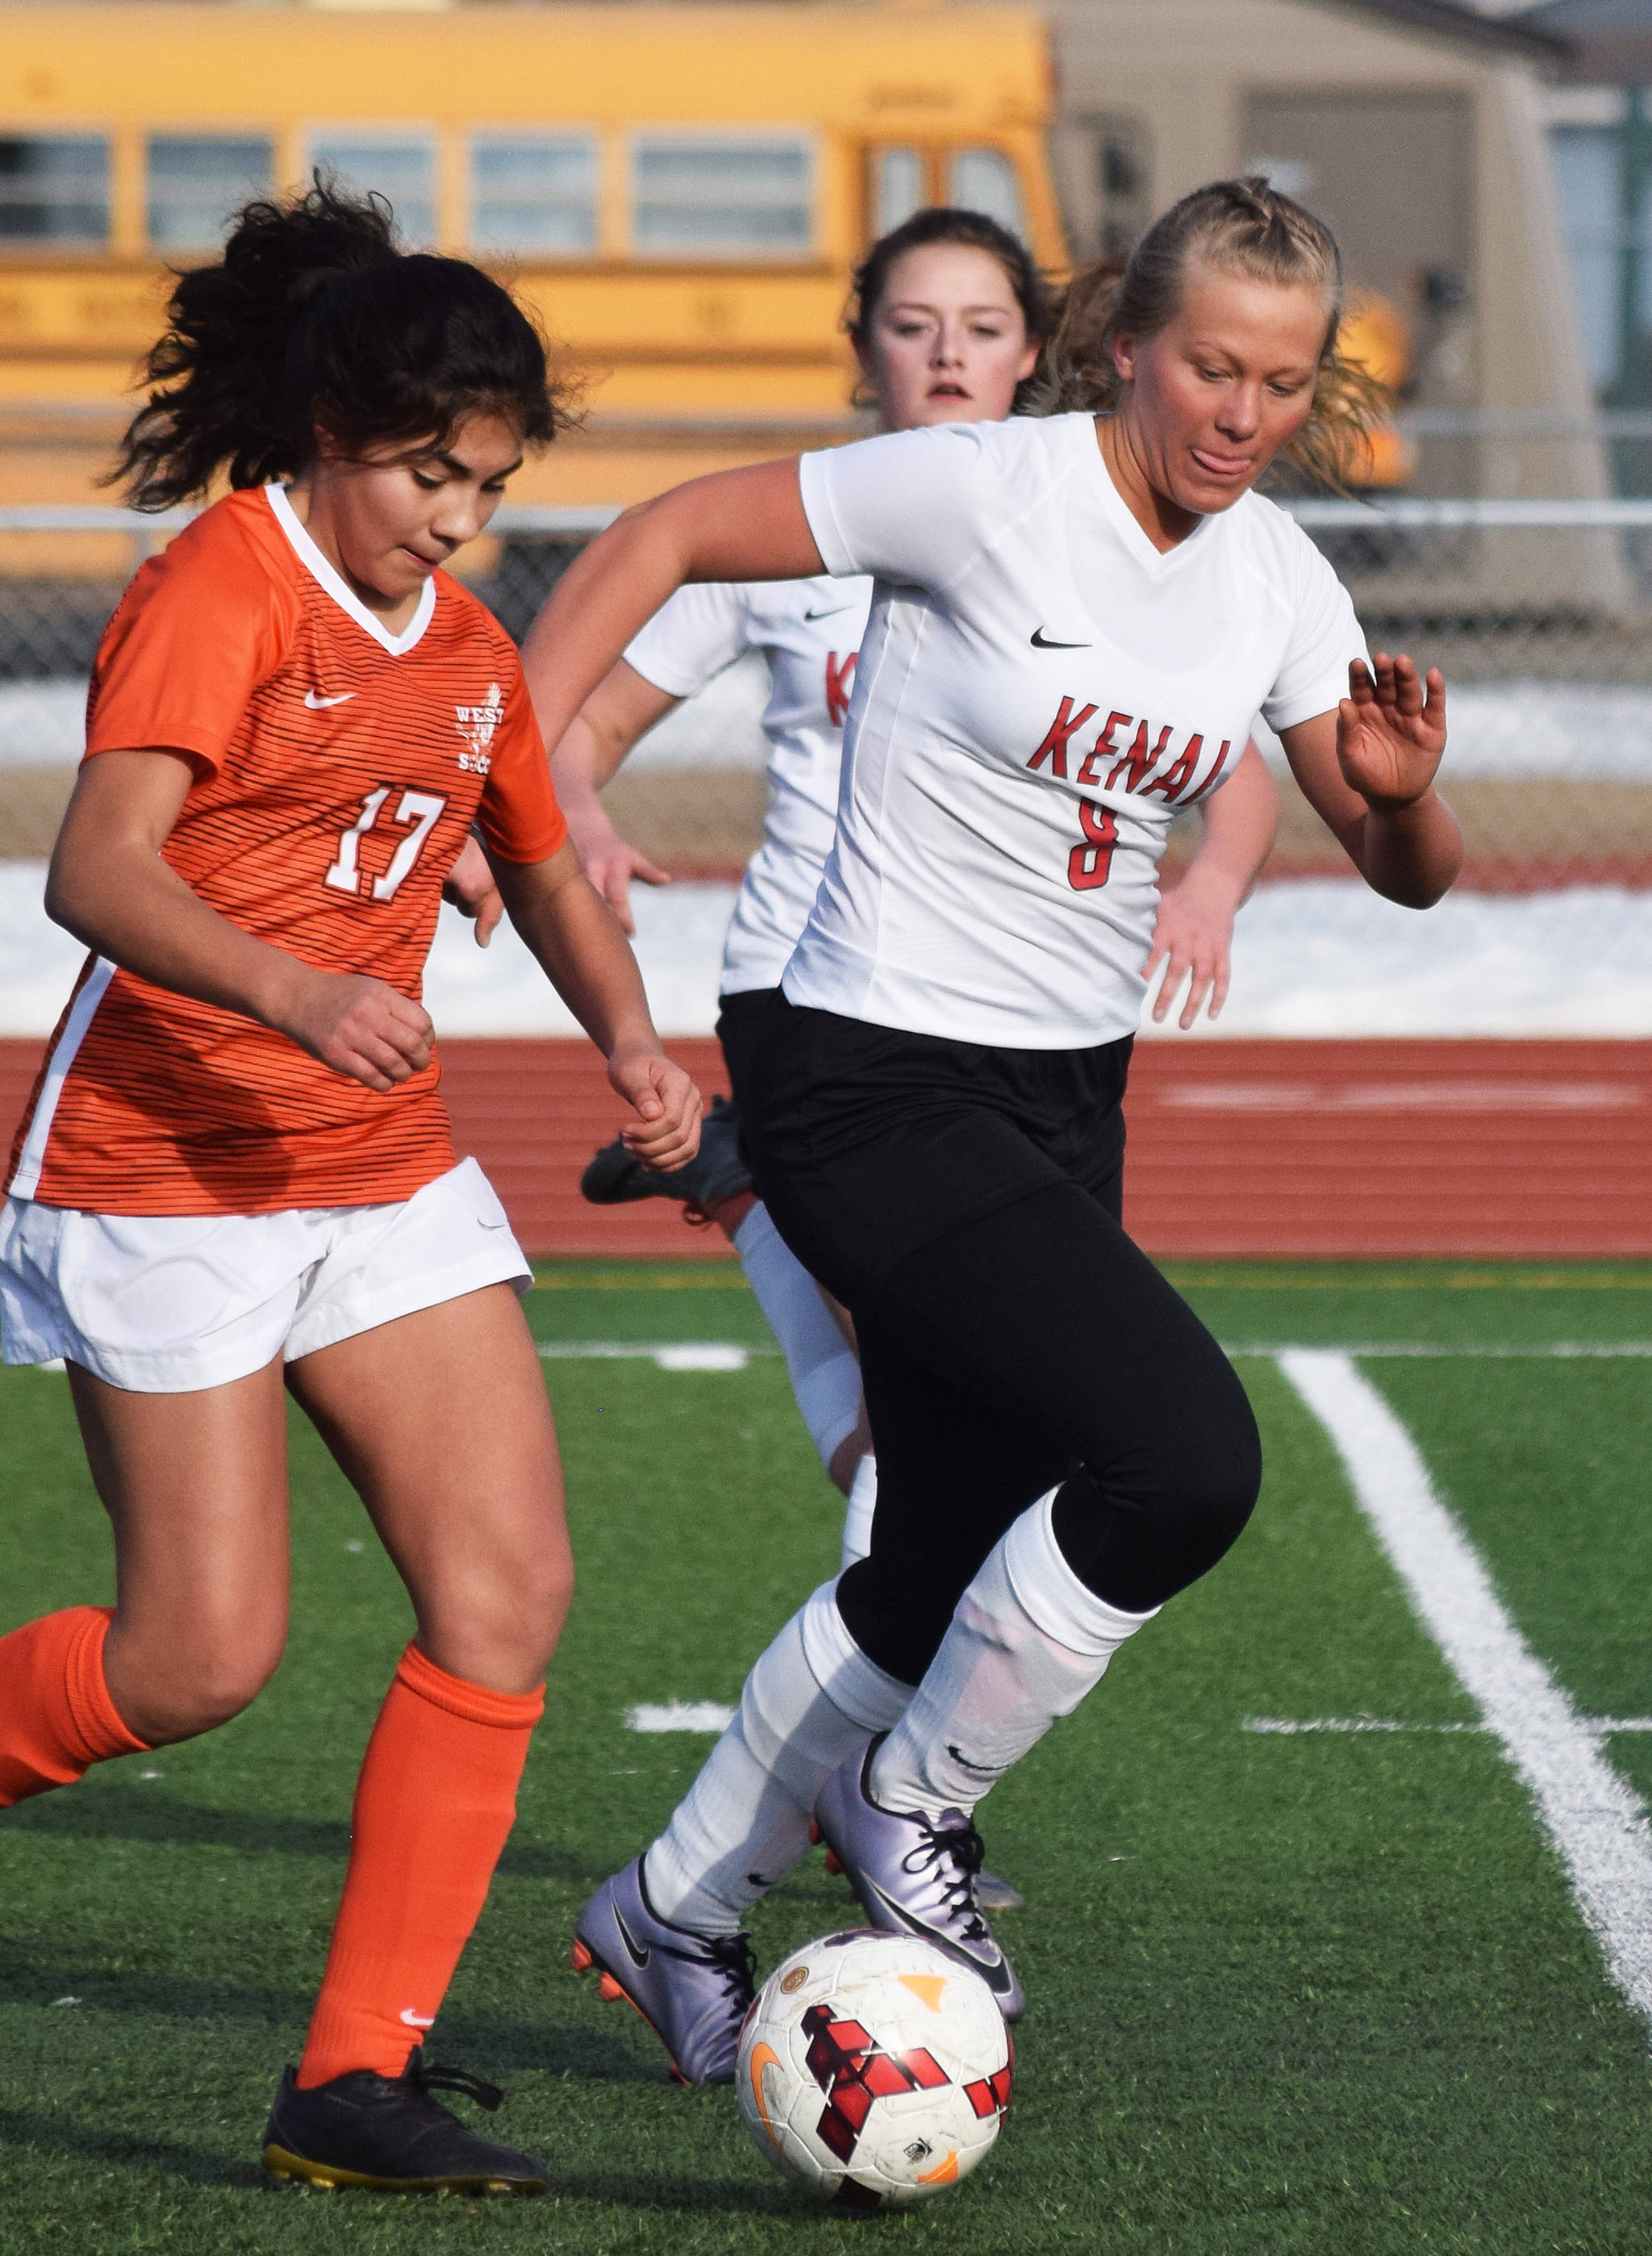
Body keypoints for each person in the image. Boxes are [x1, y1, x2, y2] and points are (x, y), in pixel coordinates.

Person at [524, 173, 1461, 2087]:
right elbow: (670, 532)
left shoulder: (1277, 572)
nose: (1241, 412)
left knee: (941, 1539)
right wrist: (517, 771)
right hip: (860, 1062)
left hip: (1056, 1088)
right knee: (1183, 1458)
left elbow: (1401, 872)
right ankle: (911, 1796)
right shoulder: (982, 488)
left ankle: (668, 1908)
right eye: (1211, 364)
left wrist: (1405, 795)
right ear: (1124, 346)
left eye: (1281, 383)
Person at [0, 183, 701, 2192]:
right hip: (163, 1168)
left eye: (483, 481)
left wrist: (631, 1043)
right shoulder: (223, 584)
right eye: (424, 474)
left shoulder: (468, 644)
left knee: (509, 1594)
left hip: (374, 1173)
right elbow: (99, 871)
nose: (454, 518)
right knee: (194, 1660)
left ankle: (349, 2082)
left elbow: (550, 861)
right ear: (330, 430)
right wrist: (303, 986)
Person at [532, 210, 1281, 1577]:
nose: (947, 358)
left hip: (1006, 1021)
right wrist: (563, 802)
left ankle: (746, 1191)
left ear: (1041, 351)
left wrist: (1214, 880)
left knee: (977, 1420)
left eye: (985, 329)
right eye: (913, 325)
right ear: (863, 347)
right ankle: (863, 1763)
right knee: (928, 1417)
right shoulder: (796, 534)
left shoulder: (1075, 534)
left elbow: (1231, 760)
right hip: (810, 998)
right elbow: (590, 712)